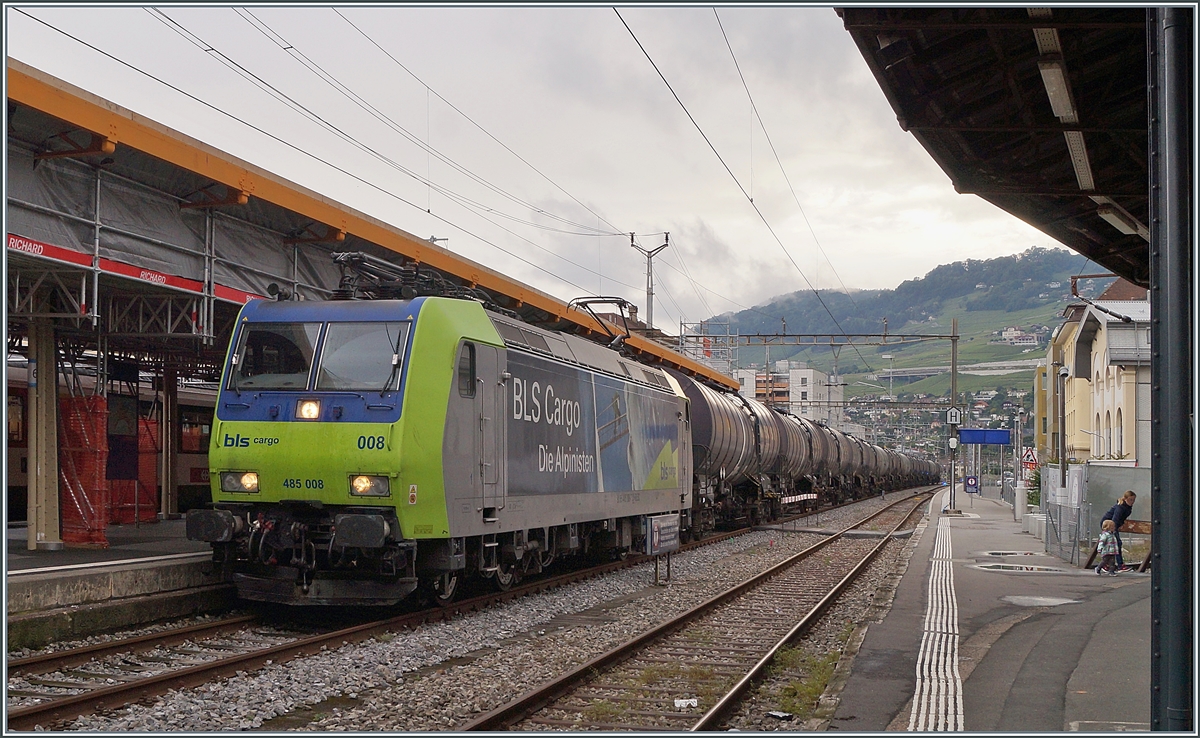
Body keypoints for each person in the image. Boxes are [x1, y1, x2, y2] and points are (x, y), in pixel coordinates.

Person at [1101, 490, 1137, 571]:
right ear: (1126, 499)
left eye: (1133, 500)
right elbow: (1114, 520)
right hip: (1108, 525)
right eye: (1131, 499)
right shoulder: (1120, 507)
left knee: (1115, 544)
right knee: (1115, 544)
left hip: (1114, 525)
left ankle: (1108, 564)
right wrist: (1113, 529)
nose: (1132, 502)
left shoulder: (1127, 508)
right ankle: (1118, 564)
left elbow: (1121, 519)